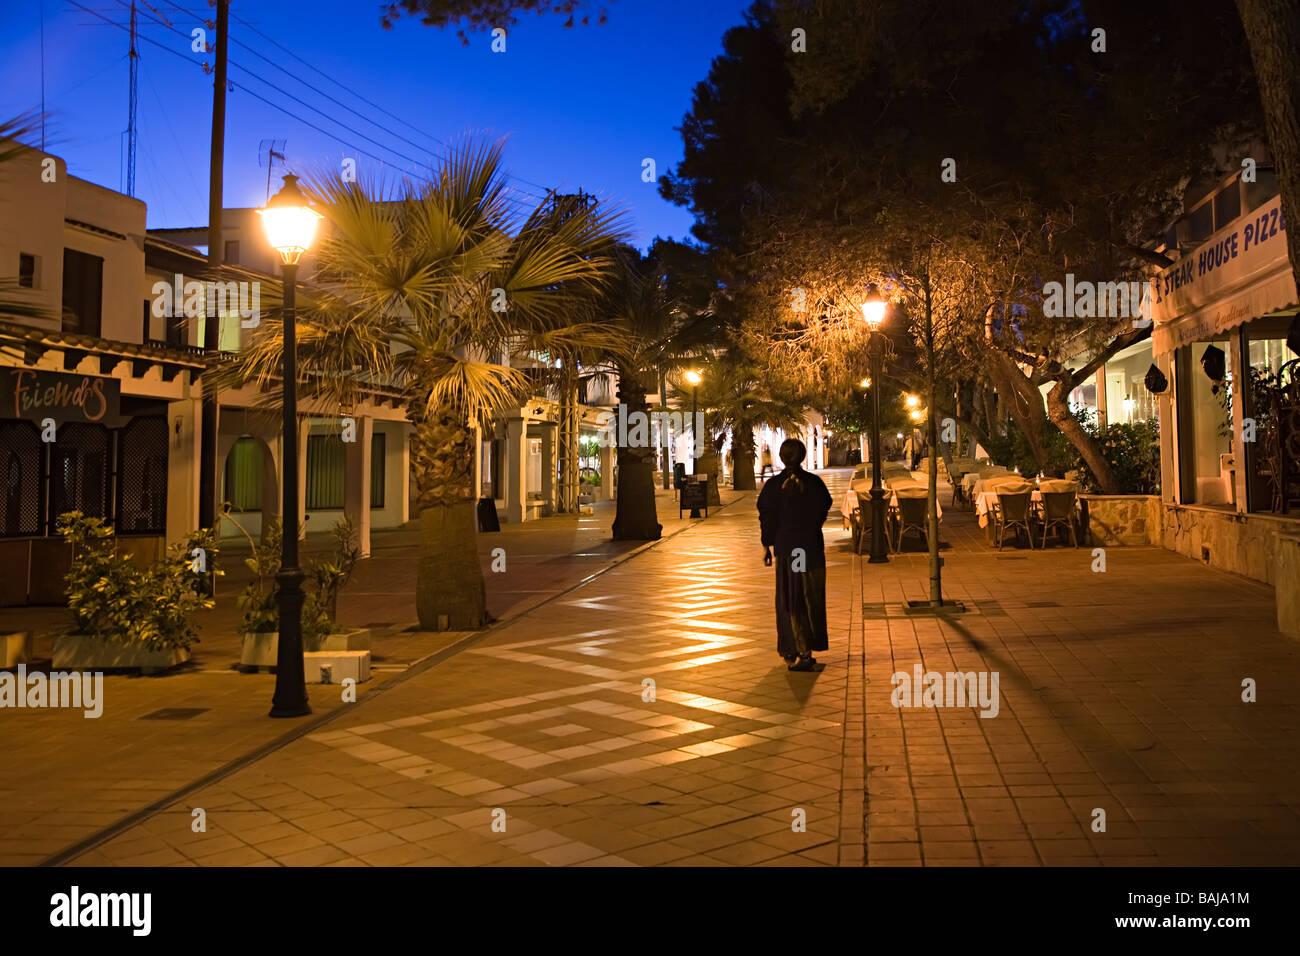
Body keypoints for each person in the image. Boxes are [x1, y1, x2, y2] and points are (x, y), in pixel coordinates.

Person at [757, 438, 832, 671]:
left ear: (781, 457)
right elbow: (823, 508)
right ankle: (804, 648)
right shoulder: (814, 483)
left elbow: (767, 517)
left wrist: (767, 545)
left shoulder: (773, 487)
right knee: (807, 596)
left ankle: (796, 649)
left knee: (792, 597)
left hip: (789, 550)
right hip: (808, 548)